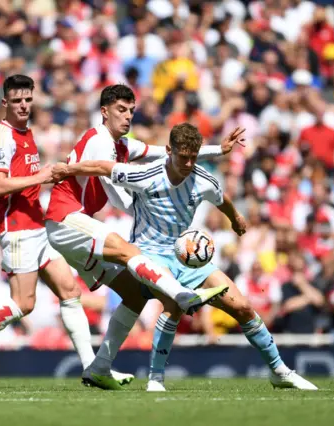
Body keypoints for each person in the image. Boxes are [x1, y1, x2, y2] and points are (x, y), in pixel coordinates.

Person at [52, 123, 318, 392]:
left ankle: (280, 371)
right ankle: (156, 380)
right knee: (173, 304)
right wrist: (68, 169)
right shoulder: (145, 175)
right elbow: (103, 168)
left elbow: (221, 198)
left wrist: (235, 218)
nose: (189, 163)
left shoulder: (203, 179)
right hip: (149, 256)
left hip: (187, 257)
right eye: (183, 157)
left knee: (243, 307)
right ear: (169, 151)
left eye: (193, 156)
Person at [0, 75, 134, 389]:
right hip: (16, 227)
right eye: (17, 101)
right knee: (24, 303)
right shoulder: (2, 137)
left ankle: (92, 369)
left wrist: (44, 177)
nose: (23, 106)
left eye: (28, 100)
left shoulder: (25, 132)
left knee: (70, 292)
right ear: (5, 103)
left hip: (36, 223)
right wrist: (42, 176)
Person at [43, 84, 230, 390]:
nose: (127, 116)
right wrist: (151, 209)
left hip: (74, 225)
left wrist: (218, 150)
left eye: (131, 110)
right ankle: (181, 293)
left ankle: (99, 368)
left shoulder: (122, 145)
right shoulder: (99, 141)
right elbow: (117, 197)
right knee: (127, 249)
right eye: (121, 110)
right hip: (65, 219)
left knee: (134, 293)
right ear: (104, 112)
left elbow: (164, 152)